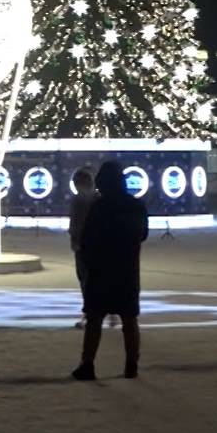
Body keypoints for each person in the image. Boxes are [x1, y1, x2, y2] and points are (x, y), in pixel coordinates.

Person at [72, 160, 147, 381]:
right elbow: (142, 234)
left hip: (101, 270)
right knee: (129, 320)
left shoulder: (99, 207)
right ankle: (131, 365)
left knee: (95, 319)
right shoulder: (136, 205)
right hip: (127, 270)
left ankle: (88, 364)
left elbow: (87, 238)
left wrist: (88, 261)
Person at [68, 166, 97, 329]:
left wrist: (74, 241)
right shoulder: (99, 198)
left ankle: (89, 314)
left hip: (83, 245)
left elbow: (75, 223)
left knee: (85, 280)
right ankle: (112, 314)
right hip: (99, 244)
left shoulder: (77, 200)